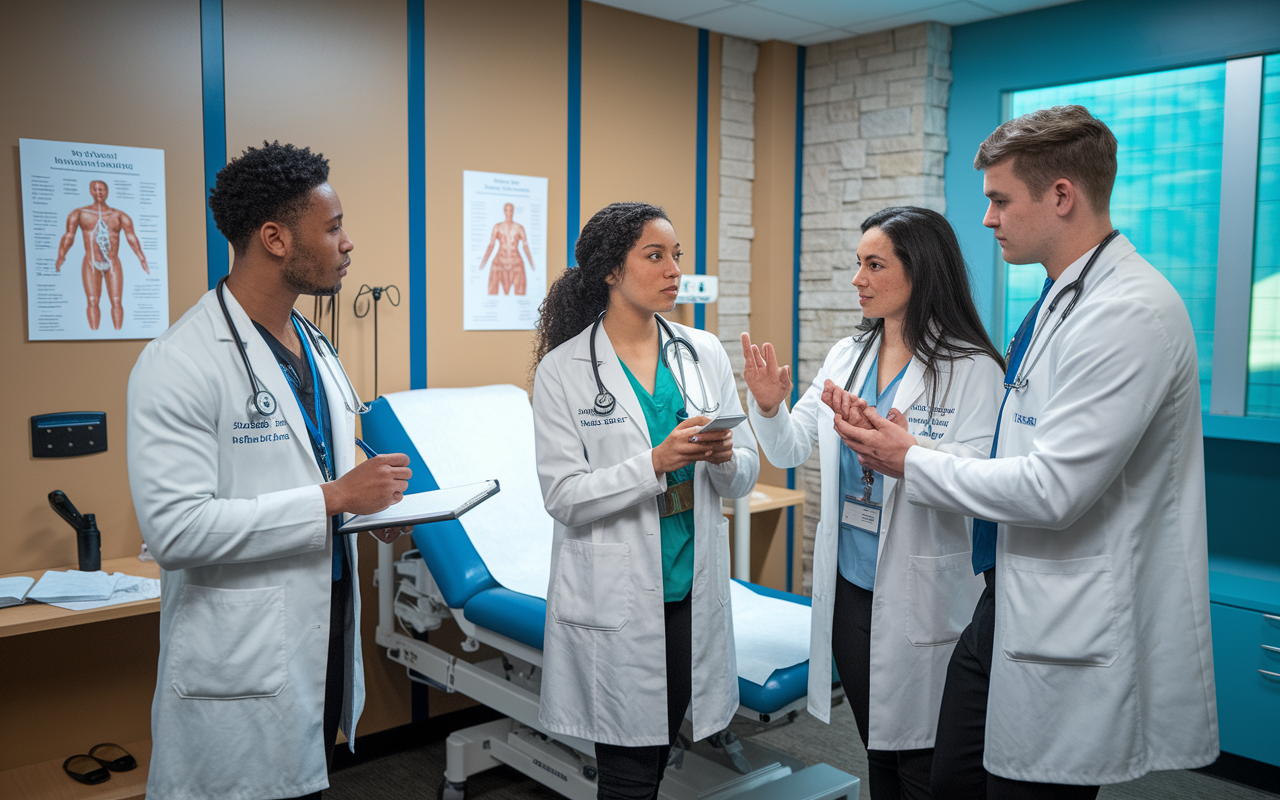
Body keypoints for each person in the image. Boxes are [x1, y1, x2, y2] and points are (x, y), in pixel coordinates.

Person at [835, 106, 1219, 798]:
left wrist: (910, 460)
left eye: (1000, 200)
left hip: (1069, 614)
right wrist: (913, 448)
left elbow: (1054, 488)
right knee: (952, 778)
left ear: (1061, 196)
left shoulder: (1127, 312)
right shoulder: (1059, 300)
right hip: (1005, 598)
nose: (988, 219)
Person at [126, 141, 414, 800]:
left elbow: (318, 457)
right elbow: (174, 532)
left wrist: (372, 504)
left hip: (325, 633)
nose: (347, 243)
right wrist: (334, 498)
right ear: (276, 238)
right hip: (241, 660)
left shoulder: (313, 345)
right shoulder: (179, 362)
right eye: (333, 227)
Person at [741, 206, 1005, 799]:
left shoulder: (972, 368)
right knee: (879, 754)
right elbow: (788, 448)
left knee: (929, 768)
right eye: (858, 264)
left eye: (874, 265)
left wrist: (907, 451)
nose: (858, 279)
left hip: (926, 596)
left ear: (922, 272)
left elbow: (985, 480)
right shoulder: (846, 356)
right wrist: (766, 405)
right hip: (851, 595)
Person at [531, 202, 759, 800]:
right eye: (654, 256)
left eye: (676, 255)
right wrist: (652, 464)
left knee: (657, 757)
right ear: (611, 270)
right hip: (618, 597)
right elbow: (562, 497)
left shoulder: (702, 350)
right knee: (629, 775)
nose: (673, 270)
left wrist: (724, 457)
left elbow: (742, 477)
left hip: (689, 589)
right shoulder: (563, 370)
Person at [55, 179, 150, 330]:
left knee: (117, 300)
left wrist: (142, 258)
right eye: (95, 189)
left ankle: (118, 332)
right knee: (92, 300)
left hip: (112, 262)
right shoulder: (80, 213)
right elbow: (69, 236)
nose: (99, 192)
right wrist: (61, 256)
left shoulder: (118, 215)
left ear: (107, 191)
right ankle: (94, 333)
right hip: (91, 261)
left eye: (102, 189)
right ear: (90, 191)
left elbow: (131, 238)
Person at [479, 201, 536, 295]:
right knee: (492, 290)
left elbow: (525, 246)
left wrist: (532, 265)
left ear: (513, 212)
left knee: (520, 293)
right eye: (507, 210)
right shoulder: (497, 227)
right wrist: (482, 264)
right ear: (504, 211)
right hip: (500, 262)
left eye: (511, 210)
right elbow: (491, 245)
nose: (509, 213)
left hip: (516, 262)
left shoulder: (519, 227)